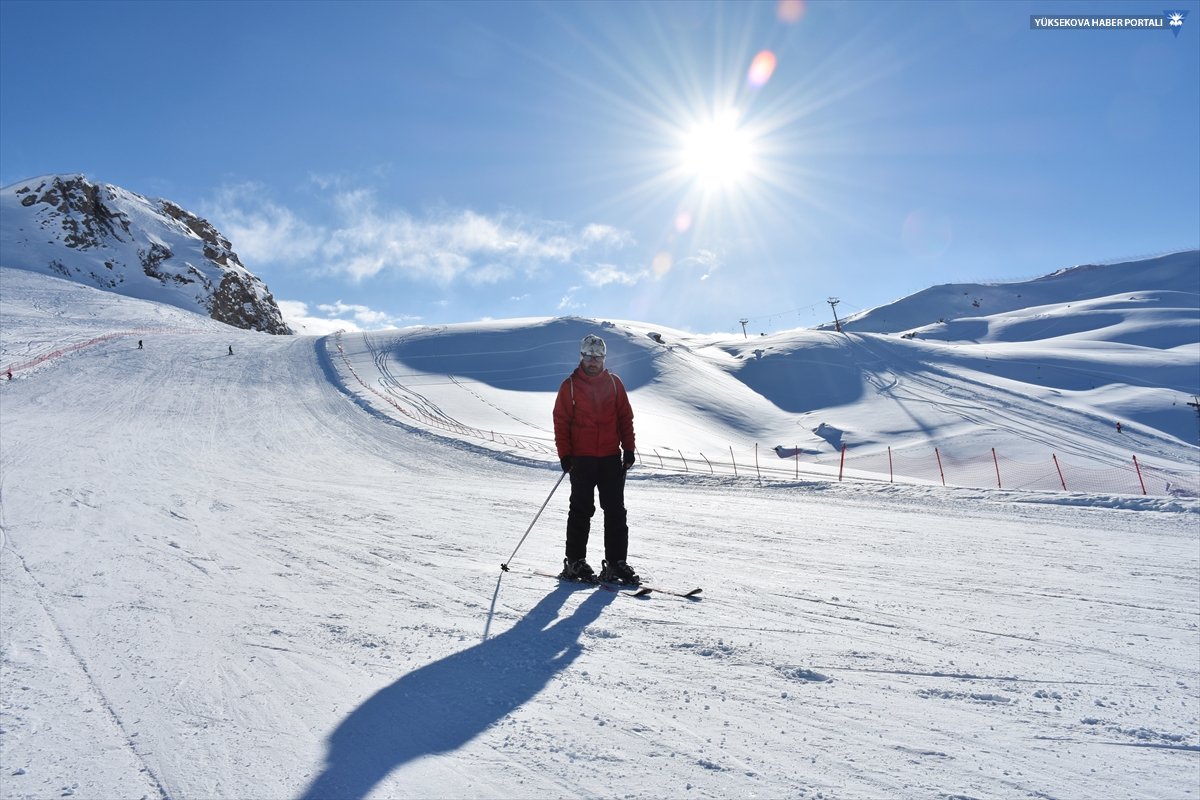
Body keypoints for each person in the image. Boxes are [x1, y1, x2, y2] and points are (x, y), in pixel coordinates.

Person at [553, 334, 639, 585]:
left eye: (597, 357)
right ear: (582, 356)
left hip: (611, 457)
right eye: (588, 356)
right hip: (582, 459)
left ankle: (616, 563)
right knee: (581, 510)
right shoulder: (569, 386)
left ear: (603, 358)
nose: (593, 361)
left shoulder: (614, 383)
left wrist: (629, 449)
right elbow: (561, 422)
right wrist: (565, 454)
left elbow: (625, 417)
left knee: (615, 511)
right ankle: (575, 561)